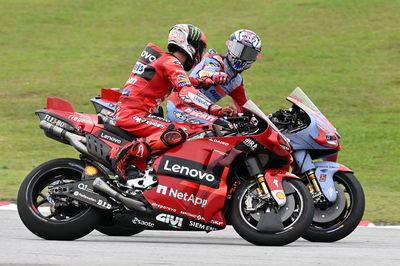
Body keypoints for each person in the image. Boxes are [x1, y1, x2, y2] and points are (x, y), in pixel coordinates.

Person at [109, 24, 236, 183]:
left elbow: (185, 81)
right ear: (190, 44)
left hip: (134, 113)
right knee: (180, 130)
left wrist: (208, 81)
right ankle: (124, 153)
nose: (200, 53)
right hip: (133, 115)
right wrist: (215, 110)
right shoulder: (171, 62)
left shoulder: (166, 61)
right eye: (200, 48)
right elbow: (186, 91)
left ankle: (147, 168)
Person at [167, 29, 262, 124]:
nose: (241, 57)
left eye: (248, 54)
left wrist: (266, 121)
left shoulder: (237, 81)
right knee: (227, 127)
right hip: (181, 107)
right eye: (238, 50)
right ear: (230, 47)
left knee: (234, 128)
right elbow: (203, 73)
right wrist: (213, 76)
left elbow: (245, 108)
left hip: (202, 113)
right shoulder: (214, 61)